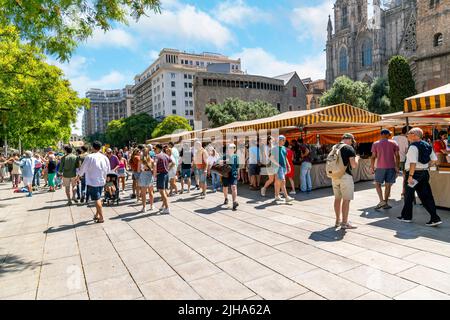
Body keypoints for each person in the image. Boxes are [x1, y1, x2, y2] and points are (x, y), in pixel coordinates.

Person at [397, 128, 442, 226]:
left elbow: (413, 163)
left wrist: (411, 176)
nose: (407, 135)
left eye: (408, 134)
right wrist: (426, 166)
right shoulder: (427, 145)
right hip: (424, 173)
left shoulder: (413, 146)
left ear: (414, 135)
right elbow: (434, 159)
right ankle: (435, 218)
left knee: (408, 195)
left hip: (414, 174)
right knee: (426, 196)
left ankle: (407, 217)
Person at [77, 141, 110, 223]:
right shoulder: (104, 157)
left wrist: (78, 176)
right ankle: (97, 215)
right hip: (102, 180)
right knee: (98, 198)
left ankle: (101, 217)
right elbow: (108, 169)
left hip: (93, 181)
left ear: (92, 147)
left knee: (97, 199)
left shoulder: (89, 157)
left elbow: (83, 168)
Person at [331, 133, 359, 229]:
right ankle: (345, 223)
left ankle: (337, 220)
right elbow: (354, 165)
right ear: (350, 139)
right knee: (346, 200)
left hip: (334, 176)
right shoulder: (349, 148)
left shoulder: (335, 147)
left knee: (337, 198)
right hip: (345, 176)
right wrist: (357, 159)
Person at [370, 129, 400, 209]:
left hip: (380, 167)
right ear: (385, 134)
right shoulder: (394, 143)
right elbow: (397, 156)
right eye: (389, 134)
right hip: (391, 166)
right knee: (388, 185)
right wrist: (397, 166)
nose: (390, 135)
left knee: (377, 184)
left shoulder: (376, 143)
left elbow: (373, 157)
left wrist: (372, 167)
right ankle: (385, 203)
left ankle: (381, 201)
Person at [270, 135, 294, 204]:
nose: (284, 141)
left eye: (284, 140)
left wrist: (288, 165)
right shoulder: (274, 148)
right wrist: (277, 164)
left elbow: (285, 157)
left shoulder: (284, 148)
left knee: (278, 182)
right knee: (283, 181)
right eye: (283, 140)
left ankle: (277, 196)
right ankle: (286, 197)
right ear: (279, 140)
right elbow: (271, 157)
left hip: (283, 167)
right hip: (278, 167)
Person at [221, 143, 240, 211]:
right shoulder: (225, 156)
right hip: (225, 174)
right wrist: (225, 161)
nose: (232, 149)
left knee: (234, 187)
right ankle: (226, 198)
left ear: (235, 149)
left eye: (233, 148)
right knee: (225, 187)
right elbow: (219, 162)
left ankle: (234, 202)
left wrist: (238, 173)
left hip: (233, 174)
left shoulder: (236, 157)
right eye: (230, 148)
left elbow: (237, 167)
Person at [154, 144, 171, 214]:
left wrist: (154, 175)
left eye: (155, 149)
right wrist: (167, 168)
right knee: (164, 191)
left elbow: (154, 165)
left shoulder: (157, 156)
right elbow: (172, 162)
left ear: (158, 149)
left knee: (162, 192)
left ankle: (167, 208)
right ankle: (163, 206)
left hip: (161, 175)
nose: (154, 150)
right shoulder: (166, 155)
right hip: (166, 174)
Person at [393, 126, 409, 197]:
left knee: (392, 176)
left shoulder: (394, 137)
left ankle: (388, 192)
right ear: (407, 132)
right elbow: (406, 151)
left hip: (393, 159)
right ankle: (403, 193)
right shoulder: (406, 139)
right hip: (402, 159)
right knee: (405, 177)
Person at [138, 148, 155, 212]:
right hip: (150, 175)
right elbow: (154, 169)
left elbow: (138, 170)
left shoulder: (140, 160)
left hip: (143, 175)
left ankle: (144, 207)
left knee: (143, 193)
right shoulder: (151, 160)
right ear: (149, 153)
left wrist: (143, 169)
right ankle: (151, 205)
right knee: (151, 192)